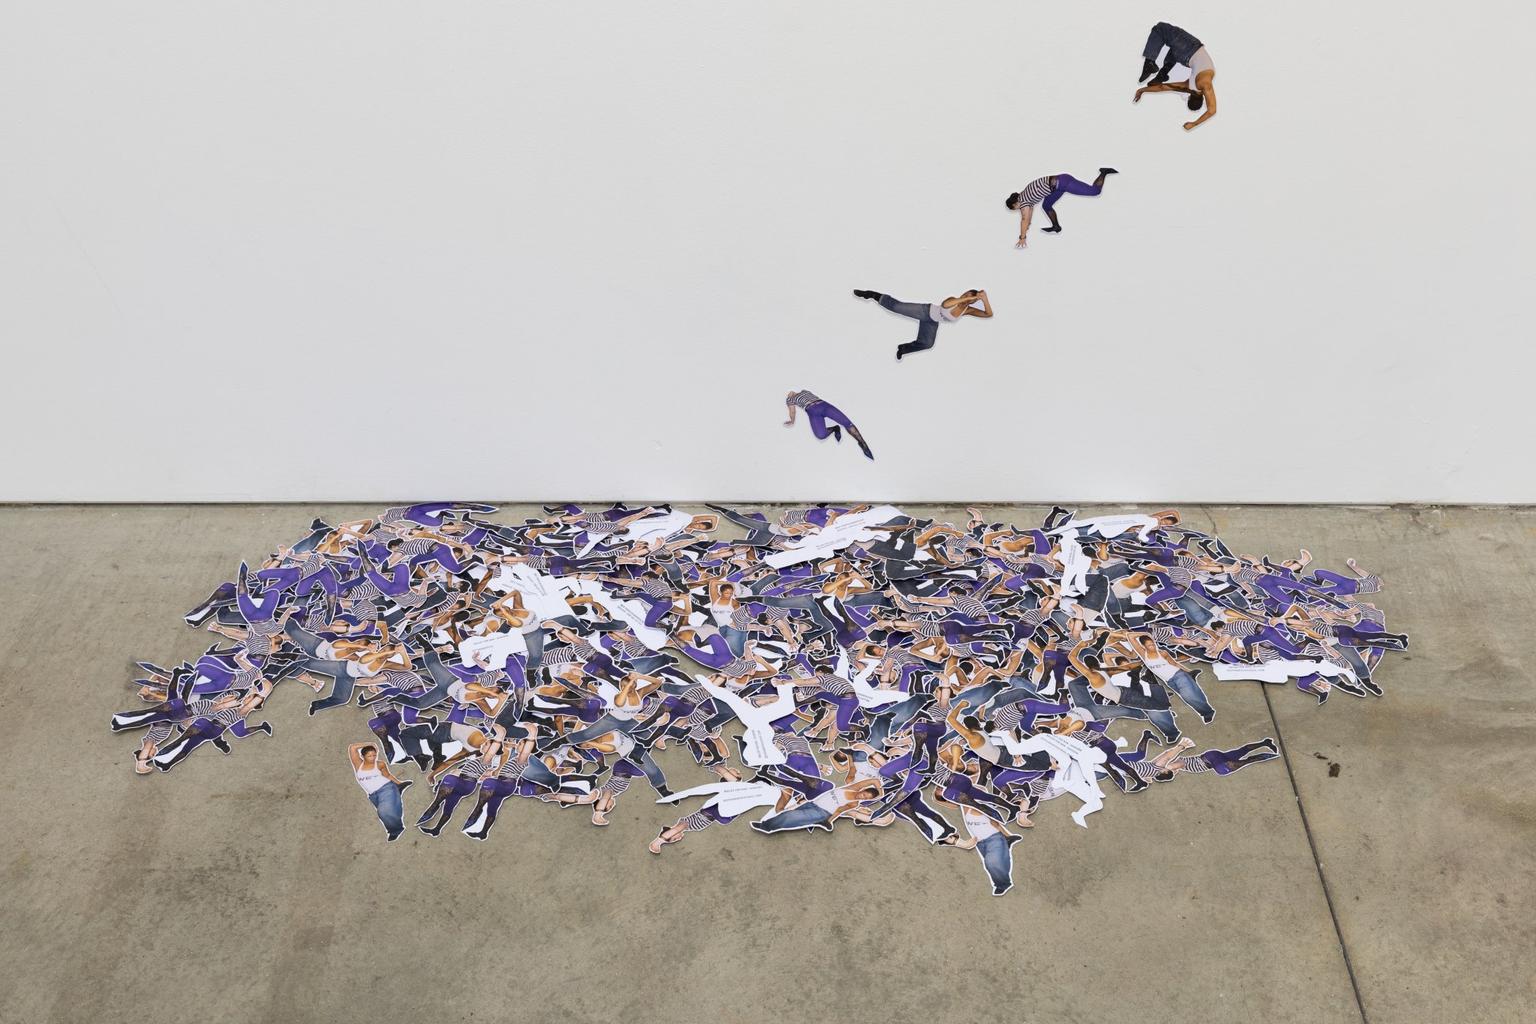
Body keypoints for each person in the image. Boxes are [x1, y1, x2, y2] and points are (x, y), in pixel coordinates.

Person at [852, 289, 992, 360]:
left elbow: (988, 314)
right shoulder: (954, 299)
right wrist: (972, 297)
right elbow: (945, 305)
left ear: (973, 302)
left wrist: (984, 299)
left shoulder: (967, 310)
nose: (966, 297)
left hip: (932, 322)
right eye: (966, 294)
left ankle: (903, 349)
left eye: (970, 297)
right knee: (896, 307)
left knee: (927, 343)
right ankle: (871, 295)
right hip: (925, 311)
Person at [1135, 22, 1217, 131]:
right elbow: (1163, 87)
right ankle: (1162, 73)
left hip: (1189, 49)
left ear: (1202, 98)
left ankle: (1149, 63)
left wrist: (1194, 124)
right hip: (1184, 56)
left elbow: (1212, 110)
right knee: (1173, 50)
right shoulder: (1187, 86)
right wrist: (1142, 90)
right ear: (1190, 97)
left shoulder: (1205, 84)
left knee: (1160, 28)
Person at [1005, 170, 1117, 246]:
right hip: (1057, 185)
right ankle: (1056, 226)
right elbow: (1029, 212)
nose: (1019, 210)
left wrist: (1022, 237)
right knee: (1046, 206)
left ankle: (1103, 172)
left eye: (1016, 209)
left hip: (1063, 182)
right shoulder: (1025, 195)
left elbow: (1024, 219)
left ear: (1015, 204)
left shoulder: (1023, 201)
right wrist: (1029, 224)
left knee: (1094, 191)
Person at [783, 389, 873, 460]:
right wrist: (792, 420)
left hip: (824, 405)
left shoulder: (804, 391)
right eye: (787, 393)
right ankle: (835, 428)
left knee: (847, 423)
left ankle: (863, 444)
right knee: (821, 435)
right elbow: (792, 411)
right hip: (812, 412)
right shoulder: (790, 399)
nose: (789, 392)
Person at [349, 742, 412, 841]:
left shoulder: (379, 764)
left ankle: (396, 830)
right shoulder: (358, 764)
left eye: (374, 755)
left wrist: (399, 783)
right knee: (390, 812)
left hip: (386, 788)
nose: (372, 758)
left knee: (383, 811)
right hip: (373, 795)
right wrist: (371, 743)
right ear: (363, 756)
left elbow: (387, 775)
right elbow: (352, 747)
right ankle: (398, 791)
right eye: (369, 756)